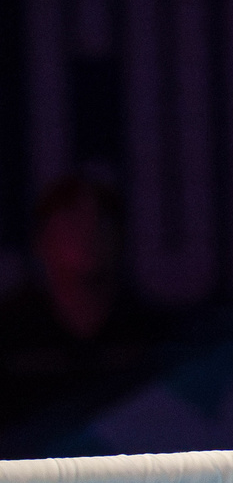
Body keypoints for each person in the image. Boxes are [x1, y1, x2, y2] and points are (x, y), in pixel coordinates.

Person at [0, 175, 169, 429]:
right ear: (41, 239)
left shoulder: (154, 332)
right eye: (73, 219)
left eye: (102, 219)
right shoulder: (10, 329)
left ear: (121, 236)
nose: (89, 231)